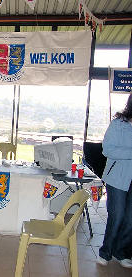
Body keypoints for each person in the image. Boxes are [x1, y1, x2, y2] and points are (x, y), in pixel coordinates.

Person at [97, 94, 132, 269]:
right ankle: (106, 251)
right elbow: (108, 150)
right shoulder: (119, 124)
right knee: (116, 216)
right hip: (117, 178)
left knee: (130, 219)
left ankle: (121, 252)